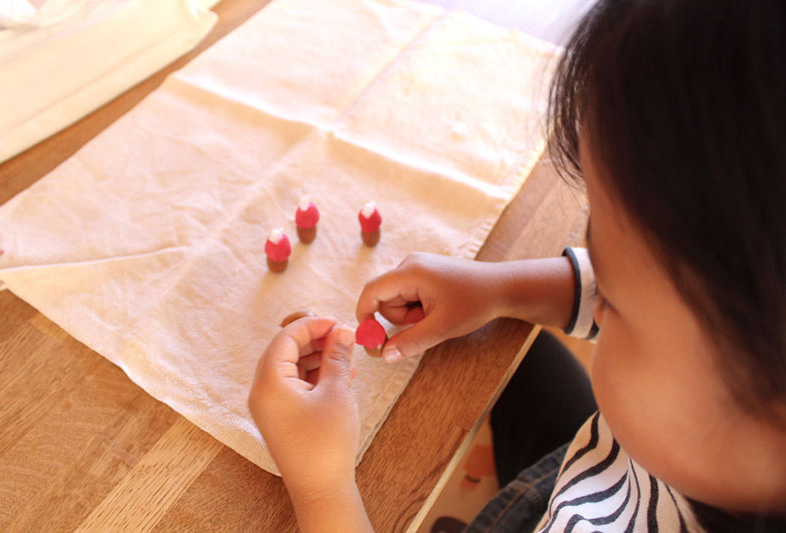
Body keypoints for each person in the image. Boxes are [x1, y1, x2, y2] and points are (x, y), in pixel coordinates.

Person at [247, 0, 786, 530]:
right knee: (504, 353)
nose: (597, 296)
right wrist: (497, 290)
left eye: (614, 300)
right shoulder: (734, 426)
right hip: (607, 468)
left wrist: (321, 485)